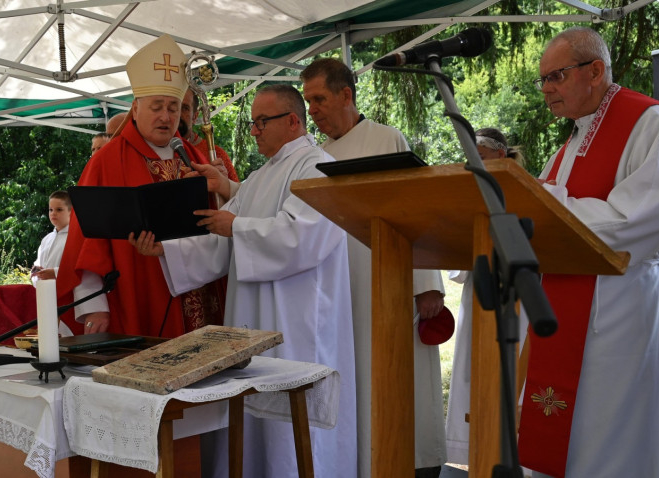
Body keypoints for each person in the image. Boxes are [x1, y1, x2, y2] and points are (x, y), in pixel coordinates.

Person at [130, 84, 357, 478]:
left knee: (291, 430)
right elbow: (219, 238)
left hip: (298, 323)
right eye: (253, 122)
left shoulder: (318, 167)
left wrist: (236, 227)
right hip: (254, 322)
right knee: (254, 425)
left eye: (261, 122)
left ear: (292, 121)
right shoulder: (257, 179)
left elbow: (301, 238)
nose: (253, 131)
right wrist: (166, 249)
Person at [517, 27, 659, 477]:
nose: (546, 89)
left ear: (595, 71)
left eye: (556, 76)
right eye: (543, 79)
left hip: (619, 312)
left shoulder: (649, 123)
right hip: (565, 306)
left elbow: (649, 217)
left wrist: (548, 204)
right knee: (569, 436)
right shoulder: (569, 144)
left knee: (614, 437)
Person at [300, 57, 446, 478]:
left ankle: (409, 464)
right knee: (356, 381)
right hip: (341, 290)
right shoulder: (315, 155)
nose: (312, 110)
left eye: (319, 99)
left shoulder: (385, 139)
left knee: (396, 377)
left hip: (387, 281)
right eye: (308, 102)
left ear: (346, 94)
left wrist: (427, 283)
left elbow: (415, 209)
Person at [56, 35, 223, 337]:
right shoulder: (107, 161)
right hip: (137, 289)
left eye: (173, 108)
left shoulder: (194, 157)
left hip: (198, 291)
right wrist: (94, 305)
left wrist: (224, 188)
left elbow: (220, 225)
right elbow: (87, 240)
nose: (166, 117)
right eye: (156, 107)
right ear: (136, 109)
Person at [444, 128, 526, 465]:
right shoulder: (469, 194)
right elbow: (457, 263)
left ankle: (513, 451)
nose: (472, 164)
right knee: (473, 370)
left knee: (512, 372)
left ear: (500, 155)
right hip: (478, 292)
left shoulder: (524, 190)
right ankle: (478, 451)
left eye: (479, 156)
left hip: (516, 294)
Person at [180, 89, 239, 182]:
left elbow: (237, 190)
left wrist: (224, 183)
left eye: (184, 108)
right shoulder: (156, 152)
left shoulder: (218, 155)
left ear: (195, 117)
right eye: (173, 108)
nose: (178, 114)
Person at [31, 190, 72, 284]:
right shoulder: (46, 239)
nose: (53, 213)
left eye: (59, 209)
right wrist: (35, 273)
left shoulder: (76, 238)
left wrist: (55, 273)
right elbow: (38, 265)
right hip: (46, 290)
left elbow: (80, 268)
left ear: (71, 211)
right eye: (51, 209)